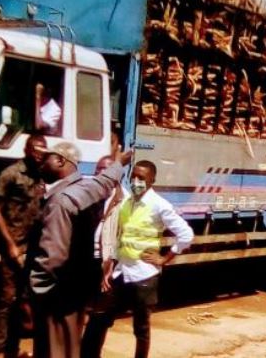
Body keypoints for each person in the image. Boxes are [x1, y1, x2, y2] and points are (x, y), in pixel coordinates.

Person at [27, 142, 130, 358]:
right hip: (75, 293)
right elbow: (104, 182)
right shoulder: (85, 189)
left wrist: (34, 292)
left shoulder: (60, 201)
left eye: (46, 159)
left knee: (53, 351)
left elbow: (52, 257)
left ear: (60, 161)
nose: (41, 163)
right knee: (70, 349)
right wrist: (118, 164)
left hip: (55, 296)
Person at [82, 160, 194, 358]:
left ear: (152, 180)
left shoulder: (159, 205)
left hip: (144, 276)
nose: (135, 181)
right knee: (99, 318)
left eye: (141, 178)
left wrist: (164, 259)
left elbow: (186, 234)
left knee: (140, 328)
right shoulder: (127, 202)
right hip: (121, 272)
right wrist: (110, 265)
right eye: (133, 176)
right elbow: (120, 236)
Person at [0, 133, 48, 358]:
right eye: (36, 150)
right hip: (12, 244)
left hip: (34, 247)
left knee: (25, 298)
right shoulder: (11, 174)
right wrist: (10, 244)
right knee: (7, 298)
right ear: (27, 150)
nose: (40, 154)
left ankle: (14, 347)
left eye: (43, 150)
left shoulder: (42, 177)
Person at [80, 155, 128, 358]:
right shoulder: (88, 194)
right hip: (85, 261)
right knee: (79, 311)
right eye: (98, 169)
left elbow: (125, 237)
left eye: (105, 170)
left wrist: (112, 265)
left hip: (107, 265)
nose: (101, 173)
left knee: (100, 317)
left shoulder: (125, 201)